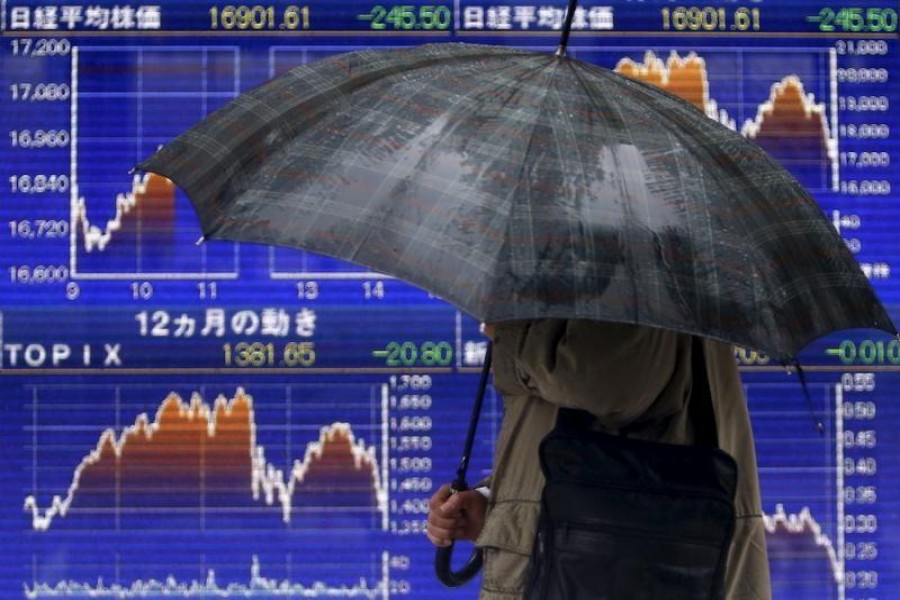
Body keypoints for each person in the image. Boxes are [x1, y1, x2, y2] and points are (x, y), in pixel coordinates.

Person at [427, 319, 771, 599]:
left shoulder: (622, 252)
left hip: (597, 572)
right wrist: (495, 502)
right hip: (599, 560)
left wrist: (509, 333)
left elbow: (602, 379)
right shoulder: (627, 265)